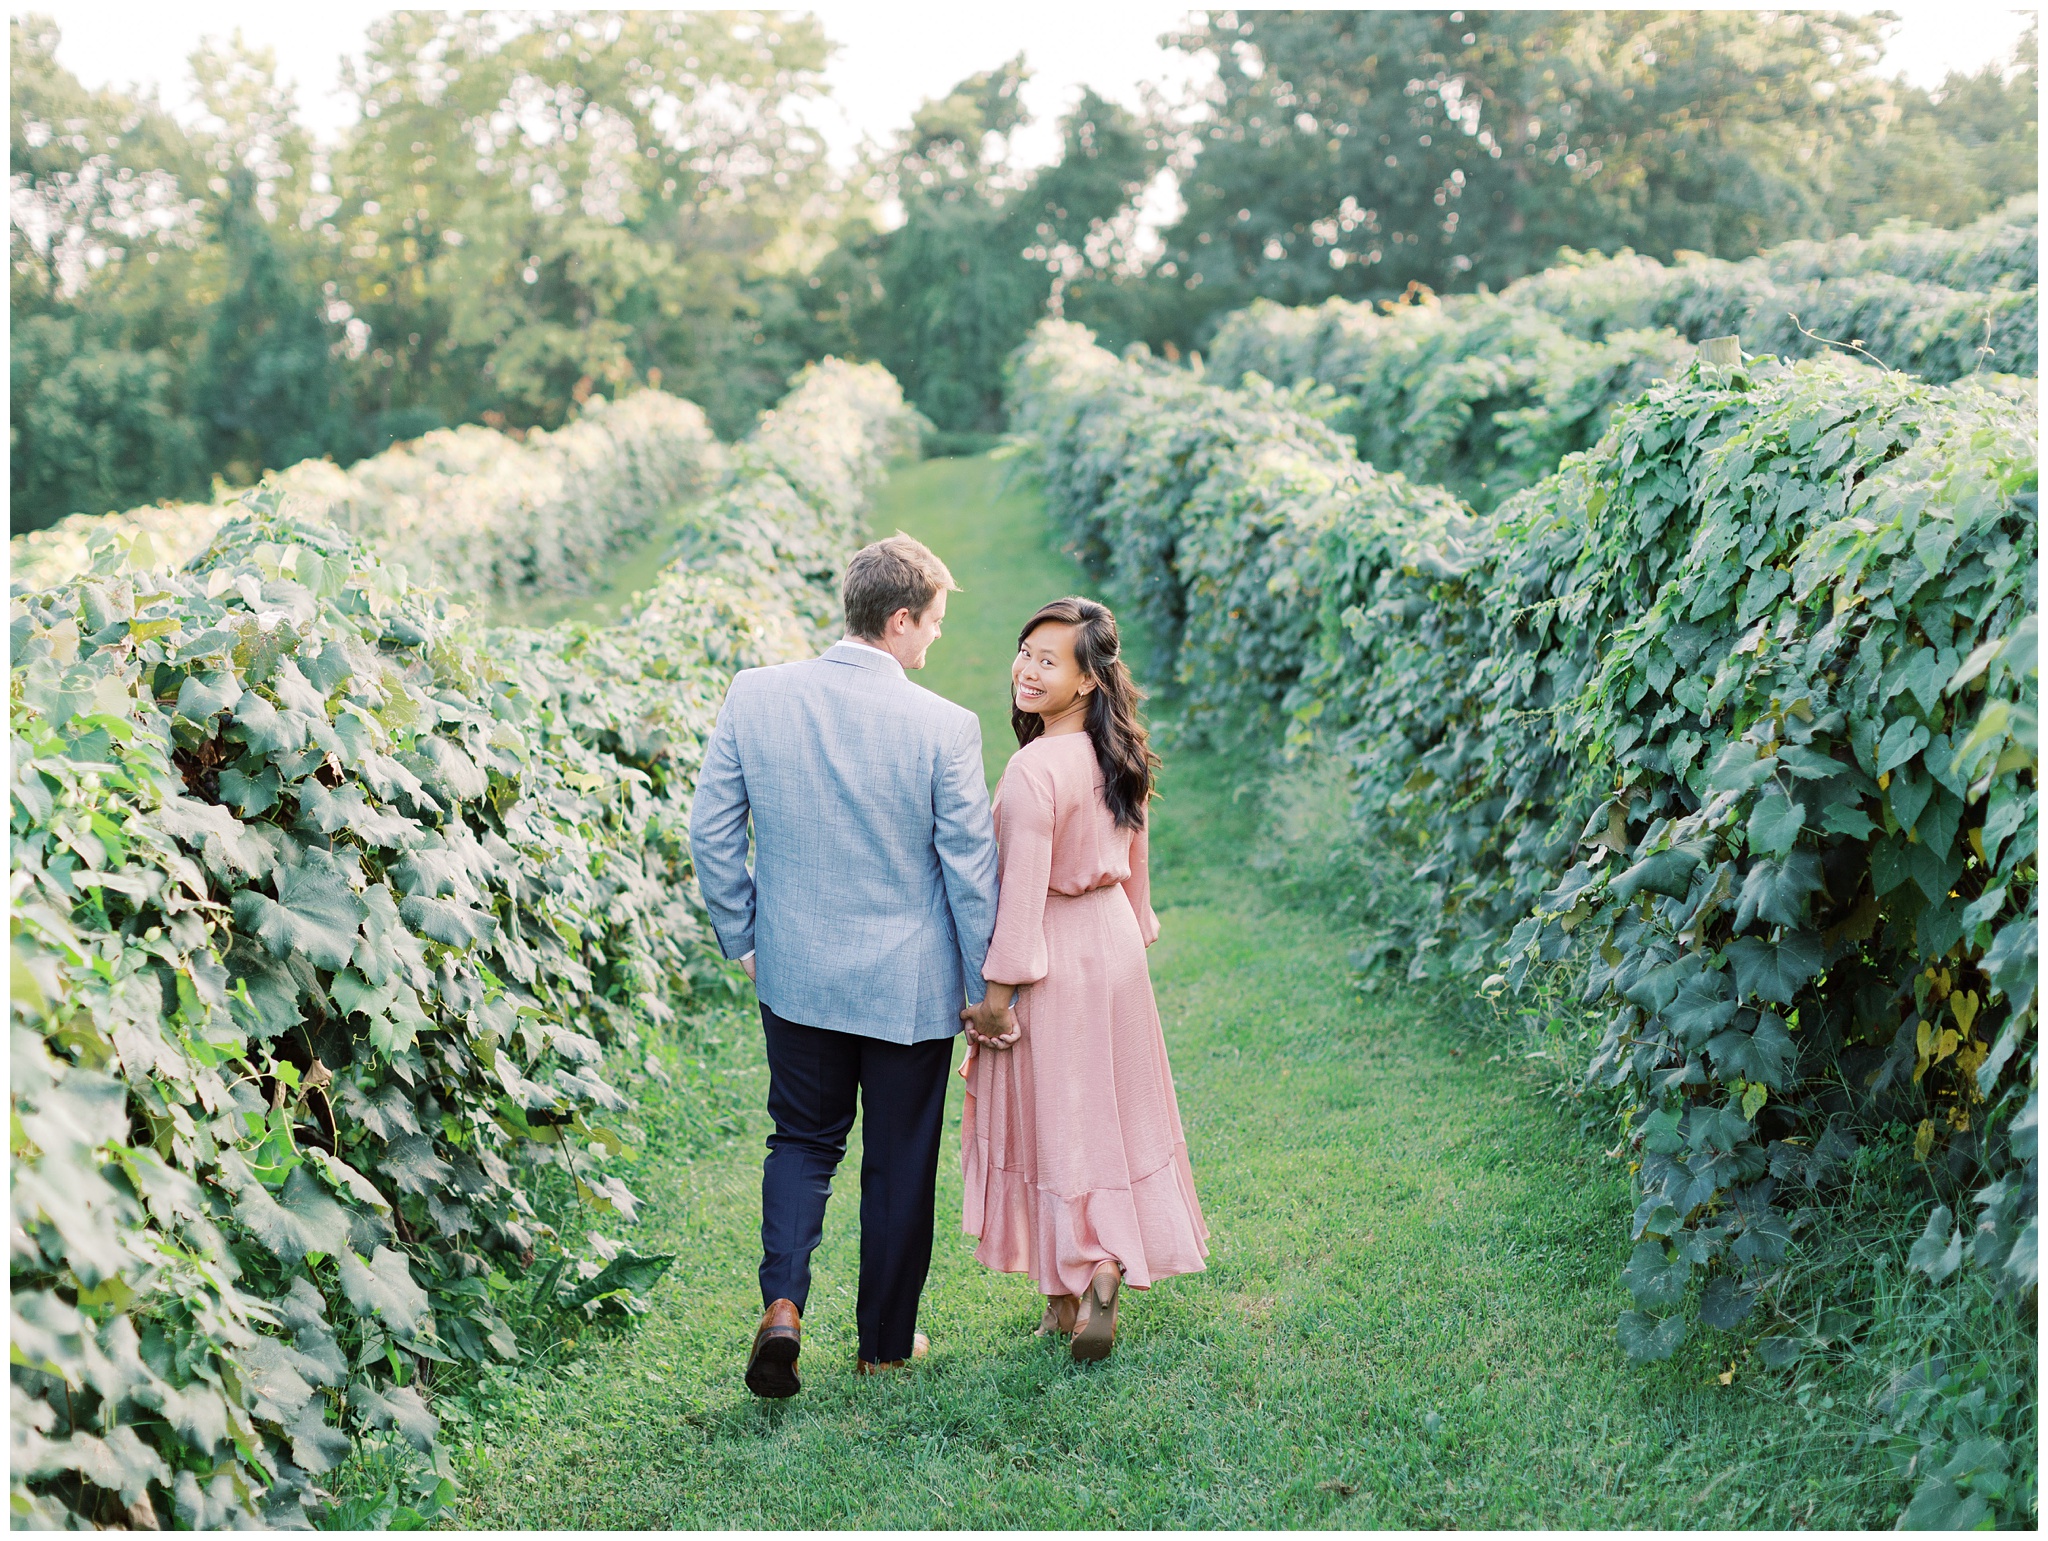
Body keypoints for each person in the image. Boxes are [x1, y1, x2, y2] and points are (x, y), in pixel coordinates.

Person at [689, 534, 1016, 1397]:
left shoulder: (755, 695)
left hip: (795, 974)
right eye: (934, 623)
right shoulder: (944, 726)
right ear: (900, 618)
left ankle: (784, 1305)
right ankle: (882, 1346)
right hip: (908, 989)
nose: (935, 641)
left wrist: (745, 935)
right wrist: (985, 986)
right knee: (900, 1158)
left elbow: (711, 830)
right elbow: (969, 870)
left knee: (801, 1139)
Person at [959, 596, 1209, 1361]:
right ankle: (1080, 1283)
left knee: (1054, 1119)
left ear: (1086, 681)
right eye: (1025, 651)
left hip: (1057, 952)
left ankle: (1076, 1283)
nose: (1027, 670)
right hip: (1116, 946)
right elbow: (1138, 875)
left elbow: (1024, 892)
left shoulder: (1035, 768)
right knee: (1108, 1112)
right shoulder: (1121, 751)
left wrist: (997, 1000)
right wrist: (1133, 930)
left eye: (1048, 661)